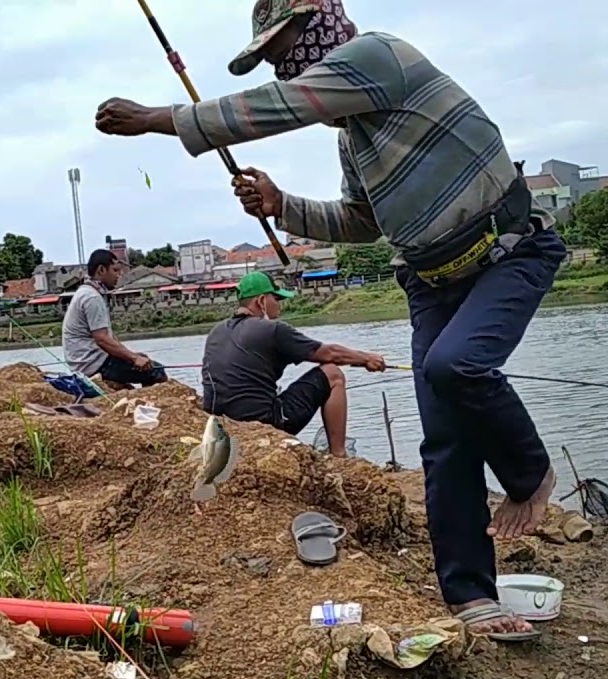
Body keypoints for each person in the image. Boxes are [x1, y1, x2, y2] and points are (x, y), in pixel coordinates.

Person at [95, 0, 564, 639]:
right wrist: (282, 205)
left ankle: (529, 473)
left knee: (456, 364)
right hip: (429, 278)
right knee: (444, 439)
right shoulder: (354, 141)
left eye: (283, 47)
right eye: (270, 60)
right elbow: (362, 223)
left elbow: (276, 107)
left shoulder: (379, 57)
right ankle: (471, 597)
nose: (284, 65)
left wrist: (158, 119)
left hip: (506, 250)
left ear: (322, 21)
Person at [201, 272, 384, 456]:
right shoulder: (273, 330)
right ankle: (339, 455)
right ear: (261, 301)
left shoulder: (215, 332)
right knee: (332, 374)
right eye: (277, 298)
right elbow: (330, 354)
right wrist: (367, 358)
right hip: (262, 423)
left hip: (220, 427)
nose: (280, 304)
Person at [62, 249, 167, 388]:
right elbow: (102, 339)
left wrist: (132, 355)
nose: (119, 275)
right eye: (115, 270)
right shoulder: (92, 297)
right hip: (93, 365)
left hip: (87, 361)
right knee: (156, 371)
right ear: (101, 270)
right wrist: (134, 358)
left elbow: (107, 337)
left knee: (144, 361)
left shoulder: (87, 292)